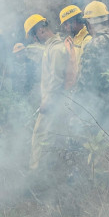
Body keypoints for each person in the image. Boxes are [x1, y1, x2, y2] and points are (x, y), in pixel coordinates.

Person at [24, 14, 69, 170]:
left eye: (34, 36)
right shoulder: (50, 47)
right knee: (50, 136)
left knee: (40, 136)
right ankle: (50, 169)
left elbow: (56, 80)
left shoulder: (56, 49)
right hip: (53, 102)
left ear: (41, 30)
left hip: (53, 104)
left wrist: (47, 102)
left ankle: (36, 171)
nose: (34, 40)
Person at [76, 1, 109, 128]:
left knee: (94, 142)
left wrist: (76, 104)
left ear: (89, 23)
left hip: (95, 107)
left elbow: (85, 82)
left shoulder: (92, 46)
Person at [59, 5, 92, 89]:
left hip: (79, 89)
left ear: (73, 22)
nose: (65, 28)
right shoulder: (72, 39)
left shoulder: (87, 40)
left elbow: (83, 71)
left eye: (66, 24)